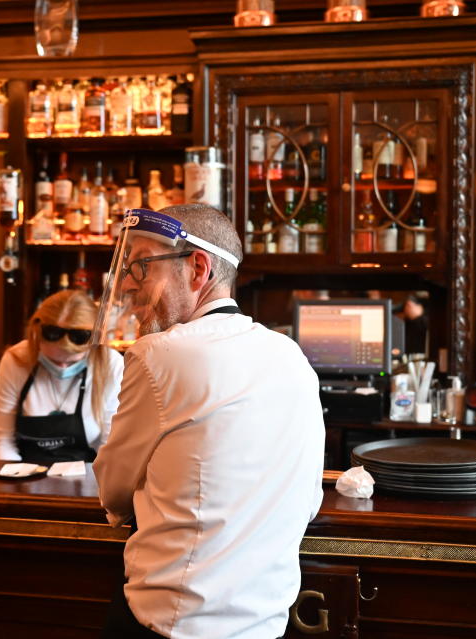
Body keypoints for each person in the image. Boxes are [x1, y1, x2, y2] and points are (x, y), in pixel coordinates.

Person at [93, 204, 326, 639]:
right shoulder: (292, 356)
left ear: (197, 268)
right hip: (265, 625)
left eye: (141, 266)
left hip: (171, 623)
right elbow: (309, 501)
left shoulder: (158, 354)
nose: (126, 285)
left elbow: (114, 491)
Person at [0, 289, 124, 463]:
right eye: (52, 359)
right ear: (37, 339)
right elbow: (3, 442)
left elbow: (110, 448)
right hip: (25, 475)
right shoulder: (16, 360)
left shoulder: (111, 364)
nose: (61, 367)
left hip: (87, 475)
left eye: (71, 362)